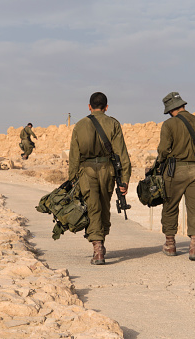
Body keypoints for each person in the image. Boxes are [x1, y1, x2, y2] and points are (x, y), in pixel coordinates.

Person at [68, 92, 131, 265]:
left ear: (89, 106)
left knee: (93, 207)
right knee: (103, 206)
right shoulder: (113, 124)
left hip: (86, 171)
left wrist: (72, 179)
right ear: (106, 107)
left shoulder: (80, 126)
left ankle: (97, 248)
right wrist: (124, 180)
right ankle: (100, 242)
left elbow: (74, 156)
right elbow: (122, 154)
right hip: (108, 171)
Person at [157, 92, 195, 261]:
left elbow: (162, 150)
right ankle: (194, 248)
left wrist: (161, 163)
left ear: (169, 110)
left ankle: (170, 244)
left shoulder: (169, 125)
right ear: (182, 105)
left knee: (170, 206)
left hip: (174, 170)